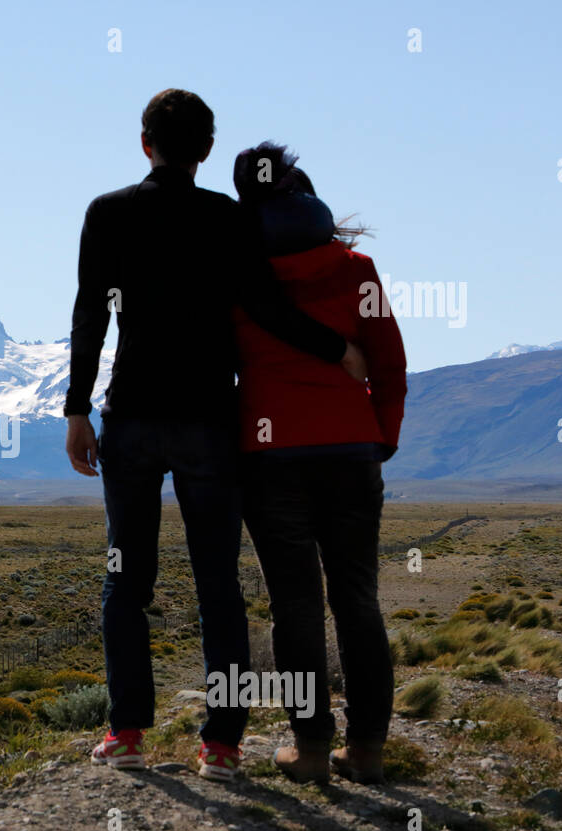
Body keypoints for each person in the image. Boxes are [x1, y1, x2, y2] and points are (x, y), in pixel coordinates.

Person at [63, 90, 367, 778]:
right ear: (204, 150)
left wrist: (76, 408)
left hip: (132, 418)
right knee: (217, 586)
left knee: (125, 579)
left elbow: (90, 313)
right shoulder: (227, 219)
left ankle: (127, 736)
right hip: (207, 421)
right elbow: (265, 308)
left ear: (146, 144)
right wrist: (337, 350)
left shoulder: (107, 214)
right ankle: (222, 745)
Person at [231, 142, 407, 785]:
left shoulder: (241, 272)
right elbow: (388, 361)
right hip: (350, 451)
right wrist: (379, 437)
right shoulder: (356, 268)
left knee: (295, 606)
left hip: (270, 454)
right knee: (357, 599)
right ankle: (366, 750)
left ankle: (309, 750)